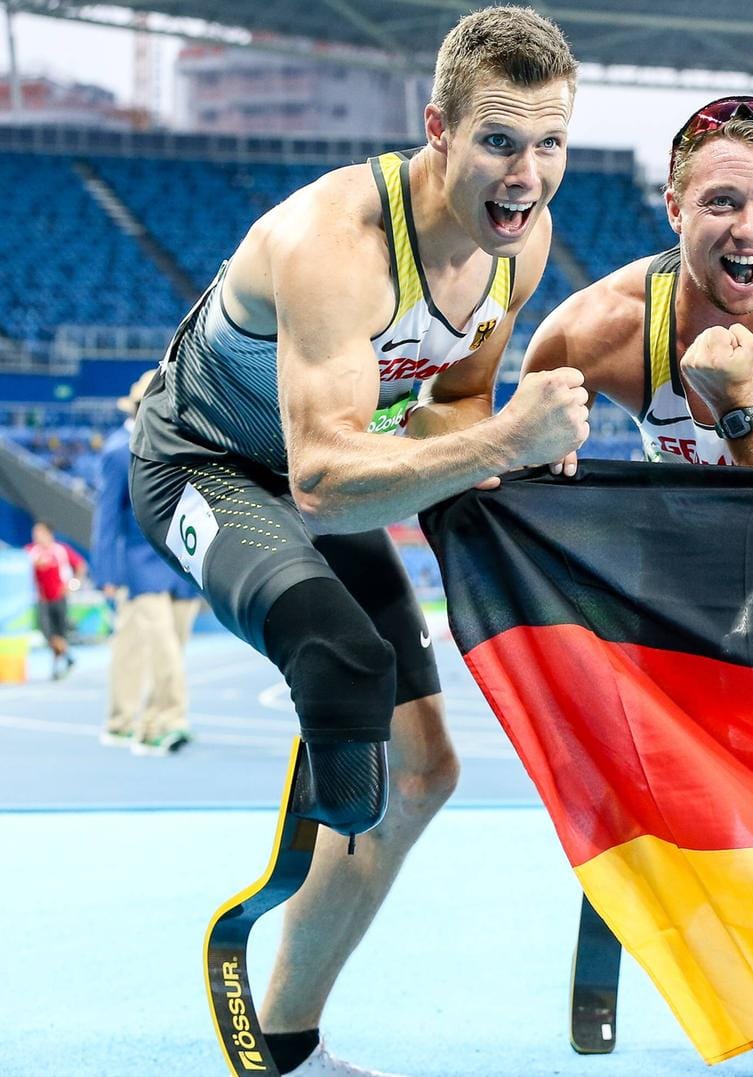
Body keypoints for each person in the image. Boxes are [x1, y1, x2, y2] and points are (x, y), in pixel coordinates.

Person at [126, 8, 586, 1075]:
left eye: (552, 142)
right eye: (501, 141)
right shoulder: (336, 244)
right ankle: (247, 935)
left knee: (425, 773)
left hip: (330, 457)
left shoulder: (520, 241)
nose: (529, 175)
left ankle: (288, 1041)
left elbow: (457, 408)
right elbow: (325, 485)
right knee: (342, 659)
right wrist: (509, 436)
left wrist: (513, 452)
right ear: (438, 128)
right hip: (203, 465)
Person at [524, 95, 753, 468]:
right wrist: (540, 456)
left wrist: (737, 407)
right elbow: (520, 482)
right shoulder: (595, 326)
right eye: (723, 201)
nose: (750, 230)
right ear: (675, 210)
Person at [92, 370, 201, 754]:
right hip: (140, 563)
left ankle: (132, 722)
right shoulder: (118, 450)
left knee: (163, 644)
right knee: (160, 646)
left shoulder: (182, 445)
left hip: (181, 562)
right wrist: (105, 571)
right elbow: (107, 516)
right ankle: (167, 720)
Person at [25, 521, 85, 680]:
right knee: (48, 634)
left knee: (59, 633)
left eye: (39, 532)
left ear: (48, 533)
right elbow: (25, 563)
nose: (36, 536)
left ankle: (57, 667)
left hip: (59, 597)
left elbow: (80, 565)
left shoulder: (61, 550)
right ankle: (69, 656)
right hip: (43, 600)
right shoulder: (32, 551)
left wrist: (73, 584)